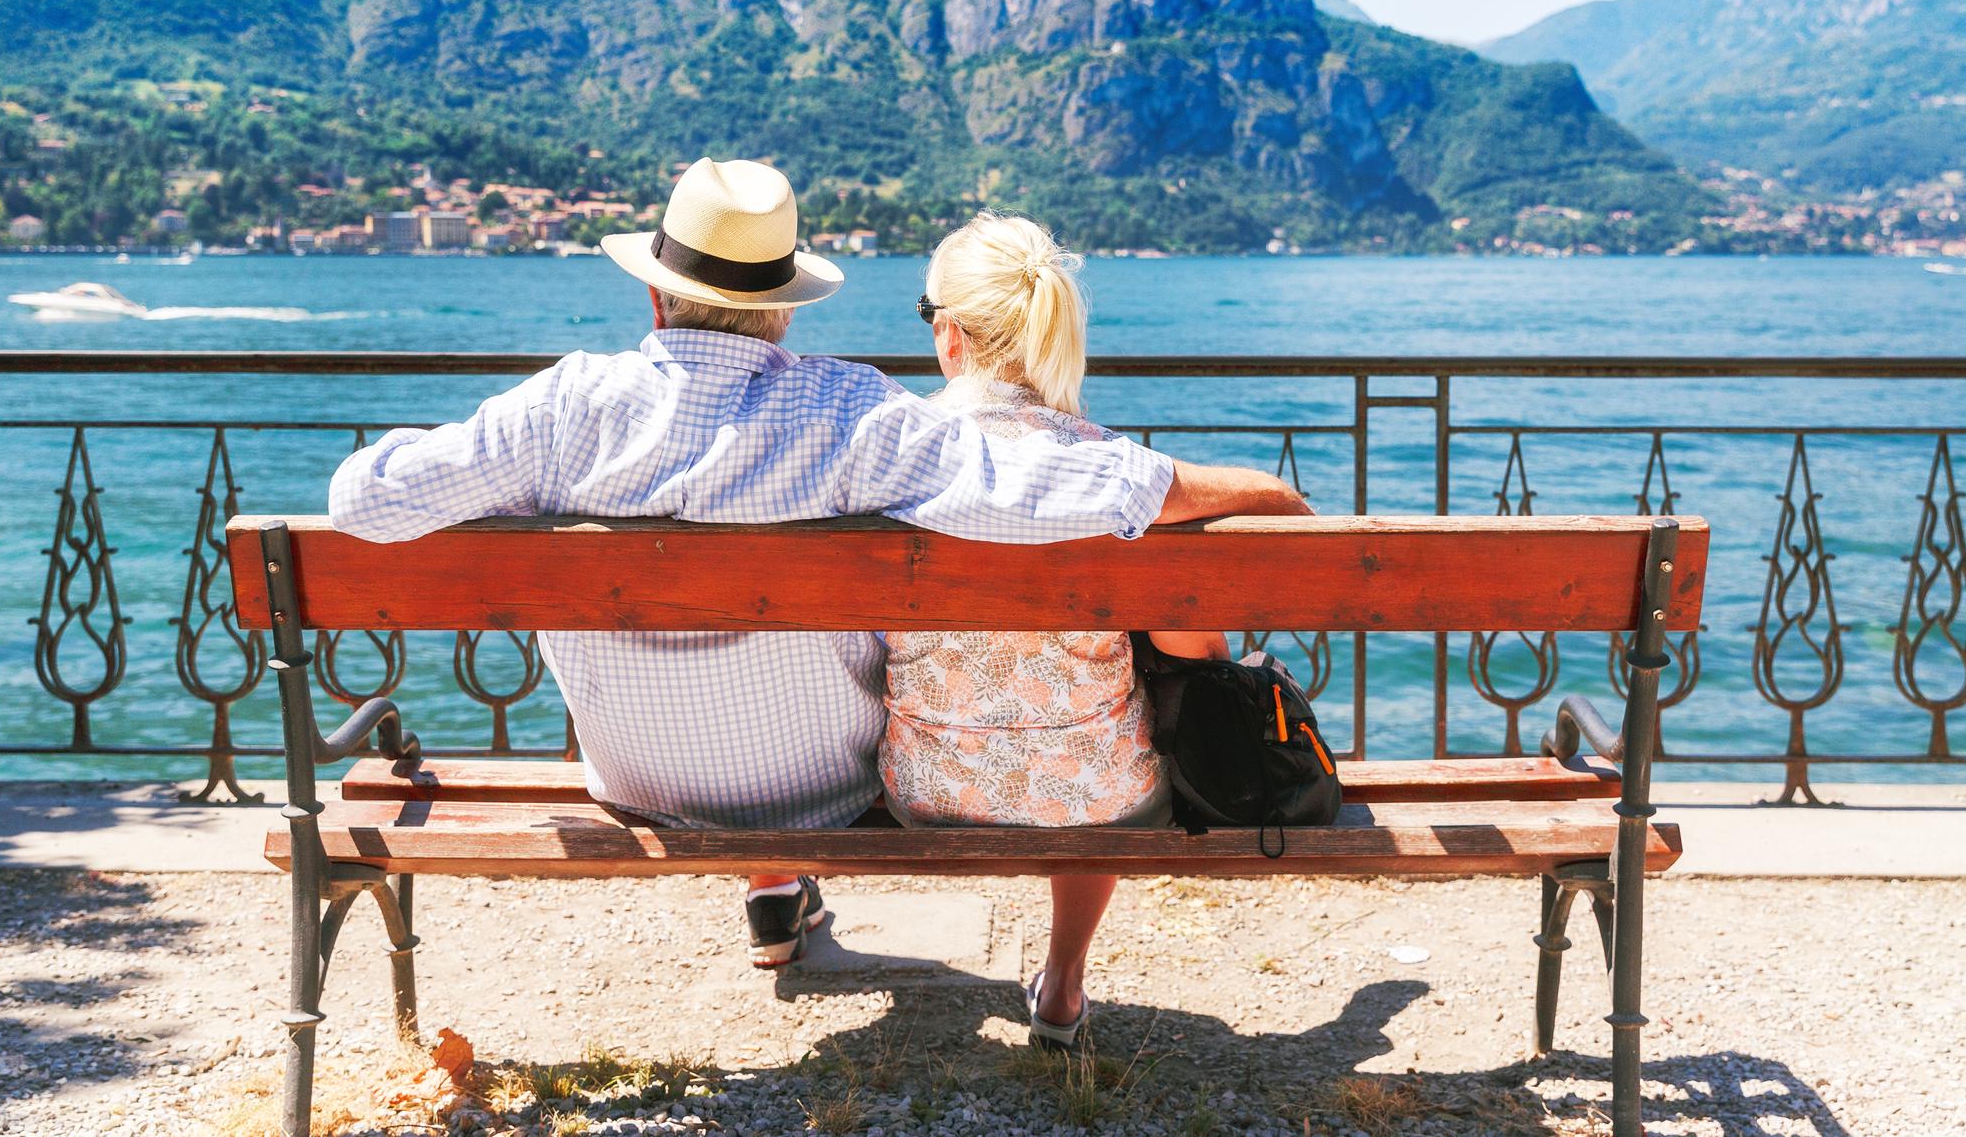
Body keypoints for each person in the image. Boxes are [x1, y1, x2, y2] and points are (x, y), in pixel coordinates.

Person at [325, 158, 1308, 972]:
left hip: (625, 775)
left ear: (655, 288)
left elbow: (360, 500)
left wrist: (511, 470)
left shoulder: (560, 407)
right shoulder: (848, 413)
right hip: (819, 792)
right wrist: (1237, 487)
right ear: (785, 309)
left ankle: (773, 889)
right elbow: (1033, 485)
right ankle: (784, 869)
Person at [879, 213, 1262, 1046]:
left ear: (949, 335)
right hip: (1099, 802)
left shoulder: (881, 457)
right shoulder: (1117, 471)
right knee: (1100, 741)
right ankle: (1062, 988)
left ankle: (778, 895)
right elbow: (1271, 533)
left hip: (923, 792)